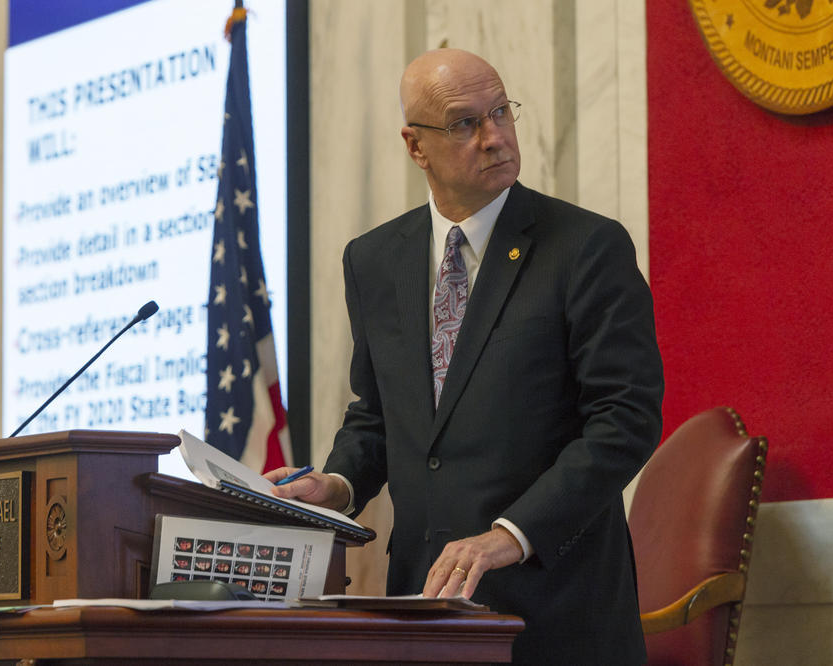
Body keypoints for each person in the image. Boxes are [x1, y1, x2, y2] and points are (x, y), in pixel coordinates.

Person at [267, 48, 663, 664]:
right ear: (415, 145)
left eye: (501, 112)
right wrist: (336, 482)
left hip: (557, 608)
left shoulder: (586, 247)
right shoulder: (373, 260)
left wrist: (510, 535)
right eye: (464, 123)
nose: (495, 137)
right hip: (423, 609)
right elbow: (377, 415)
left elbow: (624, 420)